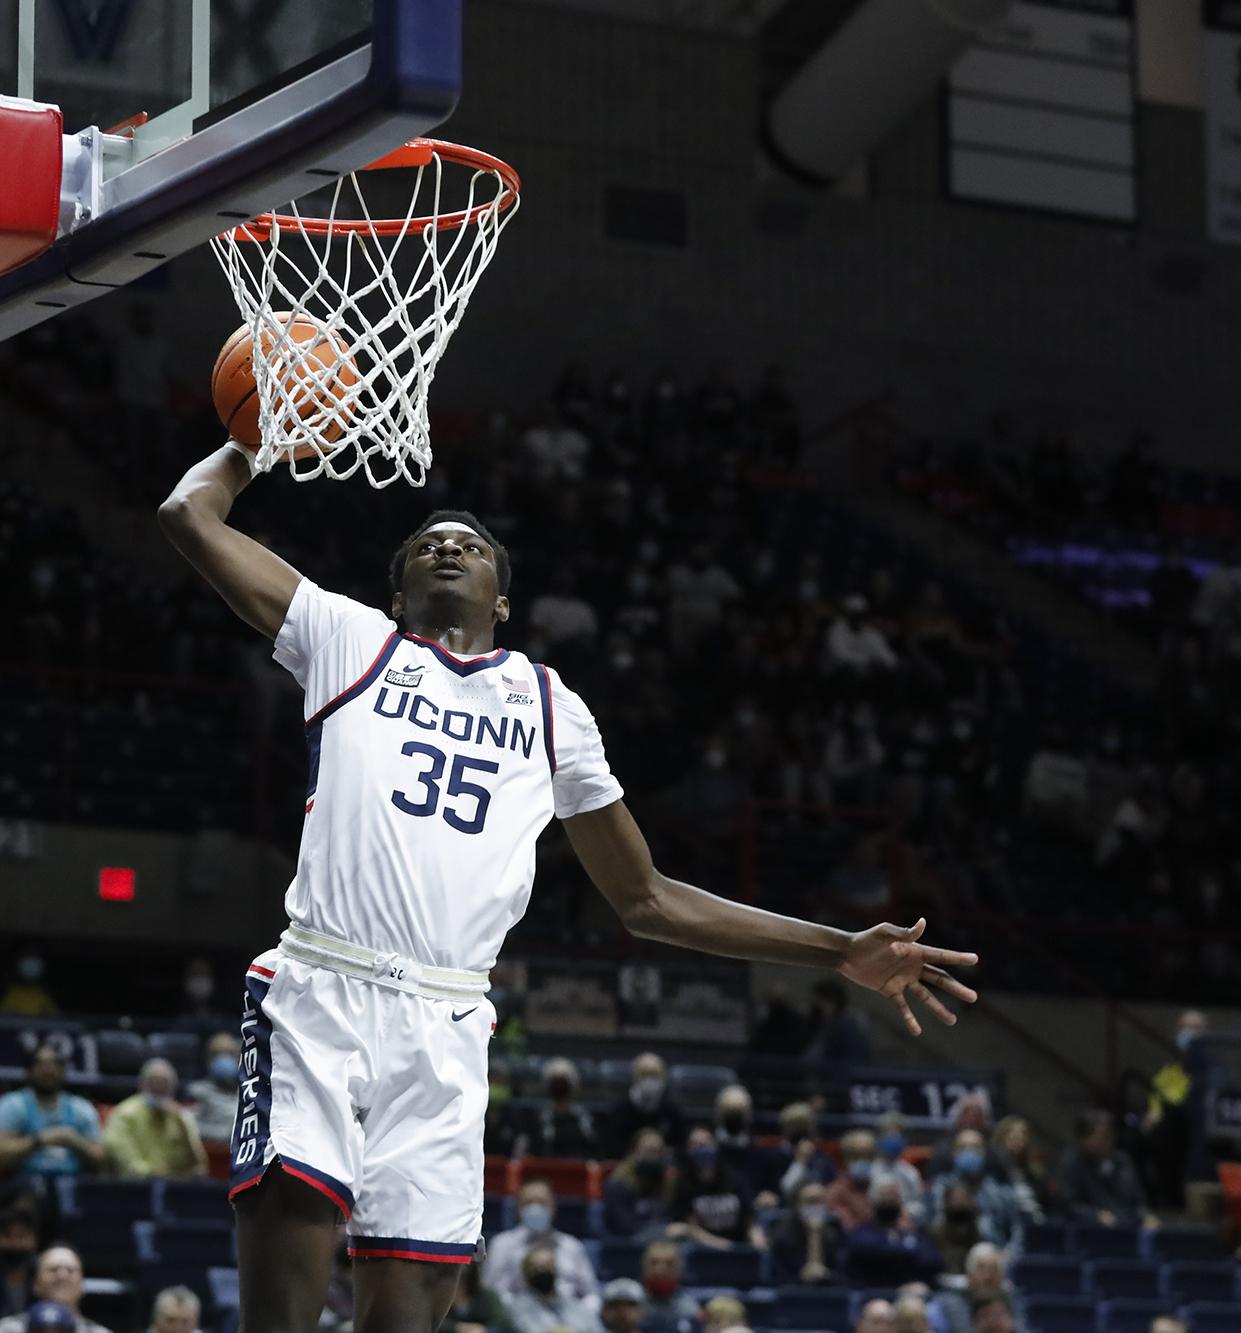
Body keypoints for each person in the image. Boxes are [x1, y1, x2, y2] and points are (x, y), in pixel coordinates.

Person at [157, 465, 977, 1333]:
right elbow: (186, 515)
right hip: (322, 991)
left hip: (447, 1028)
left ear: (501, 601)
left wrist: (839, 948)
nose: (448, 546)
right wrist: (257, 436)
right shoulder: (347, 637)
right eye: (430, 544)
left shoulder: (553, 707)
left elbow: (648, 897)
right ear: (396, 592)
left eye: (470, 546)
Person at [0, 1043, 105, 1199]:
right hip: (24, 1182)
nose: (48, 1070)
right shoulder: (12, 1104)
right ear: (28, 1071)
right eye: (41, 1064)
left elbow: (100, 1159)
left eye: (54, 1064)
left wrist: (74, 1141)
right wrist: (40, 1140)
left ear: (63, 1071)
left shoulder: (81, 1108)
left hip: (73, 1181)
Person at [1141, 1010, 1224, 1206]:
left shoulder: (1216, 1070)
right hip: (1172, 1133)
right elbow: (1156, 1099)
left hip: (1200, 1131)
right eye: (1184, 1028)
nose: (1189, 1033)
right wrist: (1153, 1113)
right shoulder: (1169, 1071)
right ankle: (1160, 1199)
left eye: (1196, 1028)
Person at [482, 1180, 598, 1303]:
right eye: (528, 1203)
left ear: (553, 1206)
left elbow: (592, 1294)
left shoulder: (572, 1246)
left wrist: (582, 1314)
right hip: (519, 1315)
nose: (535, 1208)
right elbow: (492, 1292)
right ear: (518, 1208)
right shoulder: (502, 1244)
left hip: (569, 1314)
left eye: (542, 1202)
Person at [103, 1059, 208, 1179]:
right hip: (133, 1188)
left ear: (173, 1088)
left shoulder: (182, 1117)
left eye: (164, 1083)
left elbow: (200, 1167)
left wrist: (181, 1124)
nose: (159, 1087)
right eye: (153, 1082)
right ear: (141, 1085)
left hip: (175, 1189)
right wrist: (157, 1176)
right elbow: (128, 1167)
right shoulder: (124, 1114)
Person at [1054, 1110, 1156, 1229]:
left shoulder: (1123, 1161)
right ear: (1084, 1138)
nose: (1108, 1141)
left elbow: (1137, 1200)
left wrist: (1146, 1215)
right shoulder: (1072, 1162)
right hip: (1087, 1233)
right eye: (1101, 1136)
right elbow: (1068, 1205)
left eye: (1110, 1135)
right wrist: (1095, 1215)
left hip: (1126, 1229)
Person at [928, 1130, 1025, 1254]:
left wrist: (1008, 1255)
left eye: (975, 1148)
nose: (969, 1152)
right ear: (954, 1153)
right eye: (962, 1148)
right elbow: (929, 1227)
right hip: (946, 1258)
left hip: (993, 1259)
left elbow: (1016, 1230)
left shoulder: (1001, 1193)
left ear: (984, 1153)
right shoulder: (939, 1188)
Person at [671, 1125, 762, 1250]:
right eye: (695, 1144)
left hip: (739, 1249)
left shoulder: (736, 1179)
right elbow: (690, 1227)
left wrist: (759, 1246)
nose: (701, 1148)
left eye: (704, 1143)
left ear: (715, 1146)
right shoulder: (683, 1184)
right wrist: (720, 1245)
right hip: (701, 1251)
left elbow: (750, 1220)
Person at [845, 1180, 942, 1287]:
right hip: (872, 1291)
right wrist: (909, 1249)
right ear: (872, 1202)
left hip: (907, 1289)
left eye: (893, 1197)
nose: (889, 1201)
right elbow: (868, 1250)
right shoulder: (861, 1232)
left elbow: (933, 1259)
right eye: (884, 1197)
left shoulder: (913, 1232)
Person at [0, 1249, 111, 1333]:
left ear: (82, 1285)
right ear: (36, 1284)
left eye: (70, 1270)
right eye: (53, 1269)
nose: (62, 1275)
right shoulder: (8, 1329)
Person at [711, 1084, 784, 1203]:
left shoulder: (763, 1157)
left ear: (749, 1114)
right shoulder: (708, 1153)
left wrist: (769, 1197)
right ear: (718, 1114)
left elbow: (776, 1193)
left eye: (738, 1113)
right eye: (729, 1112)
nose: (734, 1118)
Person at [498, 1247, 598, 1333]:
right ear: (525, 1274)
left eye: (547, 1265)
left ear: (556, 1270)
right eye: (536, 1268)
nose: (542, 1270)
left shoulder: (576, 1306)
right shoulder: (515, 1309)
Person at [929, 1244, 1025, 1333]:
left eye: (994, 1269)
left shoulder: (1009, 1294)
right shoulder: (953, 1298)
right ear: (969, 1274)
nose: (988, 1276)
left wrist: (1009, 1327)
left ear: (1002, 1276)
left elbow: (1023, 1328)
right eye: (981, 1268)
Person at [605, 1053, 685, 1157]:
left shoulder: (671, 1112)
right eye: (645, 1075)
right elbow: (612, 1148)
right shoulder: (619, 1111)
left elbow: (678, 1146)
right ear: (635, 1077)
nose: (650, 1081)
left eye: (655, 1076)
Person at [765, 1181, 844, 1286]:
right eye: (811, 1201)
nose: (816, 1207)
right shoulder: (781, 1238)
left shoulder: (835, 1233)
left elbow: (844, 1279)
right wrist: (802, 1278)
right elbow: (777, 1281)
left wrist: (827, 1275)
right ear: (797, 1205)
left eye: (821, 1201)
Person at [603, 1129, 679, 1239]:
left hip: (665, 1241)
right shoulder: (617, 1184)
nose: (653, 1157)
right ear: (634, 1152)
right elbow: (624, 1227)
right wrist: (664, 1231)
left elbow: (672, 1217)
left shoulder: (668, 1182)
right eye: (649, 1151)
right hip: (629, 1244)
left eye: (658, 1152)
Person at [527, 1057, 601, 1157]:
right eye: (555, 1084)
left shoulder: (584, 1120)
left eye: (563, 1084)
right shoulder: (540, 1120)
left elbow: (594, 1151)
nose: (559, 1088)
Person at [187, 1032, 243, 1145]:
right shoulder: (196, 1092)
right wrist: (229, 1133)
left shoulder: (250, 1093)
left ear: (238, 1058)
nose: (224, 1059)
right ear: (208, 1060)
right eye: (217, 1054)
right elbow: (190, 1127)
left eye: (230, 1054)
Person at [804, 977, 873, 1065]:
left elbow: (854, 1060)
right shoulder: (824, 1023)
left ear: (831, 1002)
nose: (817, 1009)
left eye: (820, 1003)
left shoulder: (848, 1026)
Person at [991, 1117, 1048, 1222]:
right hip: (1010, 1216)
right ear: (1002, 1138)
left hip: (1035, 1217)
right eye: (1014, 1138)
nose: (1019, 1143)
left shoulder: (1031, 1168)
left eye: (1022, 1139)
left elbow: (1043, 1198)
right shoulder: (994, 1163)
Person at [636, 1241, 699, 1333]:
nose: (660, 1269)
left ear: (680, 1269)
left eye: (669, 1263)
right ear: (644, 1266)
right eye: (654, 1262)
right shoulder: (628, 1306)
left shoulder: (691, 1311)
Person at [871, 1114, 926, 1218]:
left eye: (896, 1135)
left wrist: (905, 1212)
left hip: (903, 1221)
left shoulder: (910, 1172)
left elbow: (918, 1204)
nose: (893, 1139)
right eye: (888, 1134)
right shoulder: (870, 1171)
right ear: (880, 1138)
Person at [778, 1102, 837, 1198]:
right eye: (795, 1126)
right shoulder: (774, 1158)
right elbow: (784, 1192)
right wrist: (800, 1161)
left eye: (804, 1126)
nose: (800, 1132)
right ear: (785, 1128)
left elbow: (831, 1193)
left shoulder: (823, 1160)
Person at [826, 1130, 877, 1231]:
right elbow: (847, 1226)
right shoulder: (835, 1192)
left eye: (868, 1156)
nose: (863, 1160)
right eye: (856, 1156)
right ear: (846, 1158)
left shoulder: (883, 1187)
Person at [439, 1266, 507, 1333]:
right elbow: (435, 1323)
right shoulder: (442, 1301)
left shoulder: (488, 1299)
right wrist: (458, 1327)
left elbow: (502, 1324)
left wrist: (483, 1330)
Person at [0, 952, 61, 1017]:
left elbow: (54, 1017)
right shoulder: (13, 992)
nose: (31, 967)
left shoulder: (43, 993)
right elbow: (2, 1017)